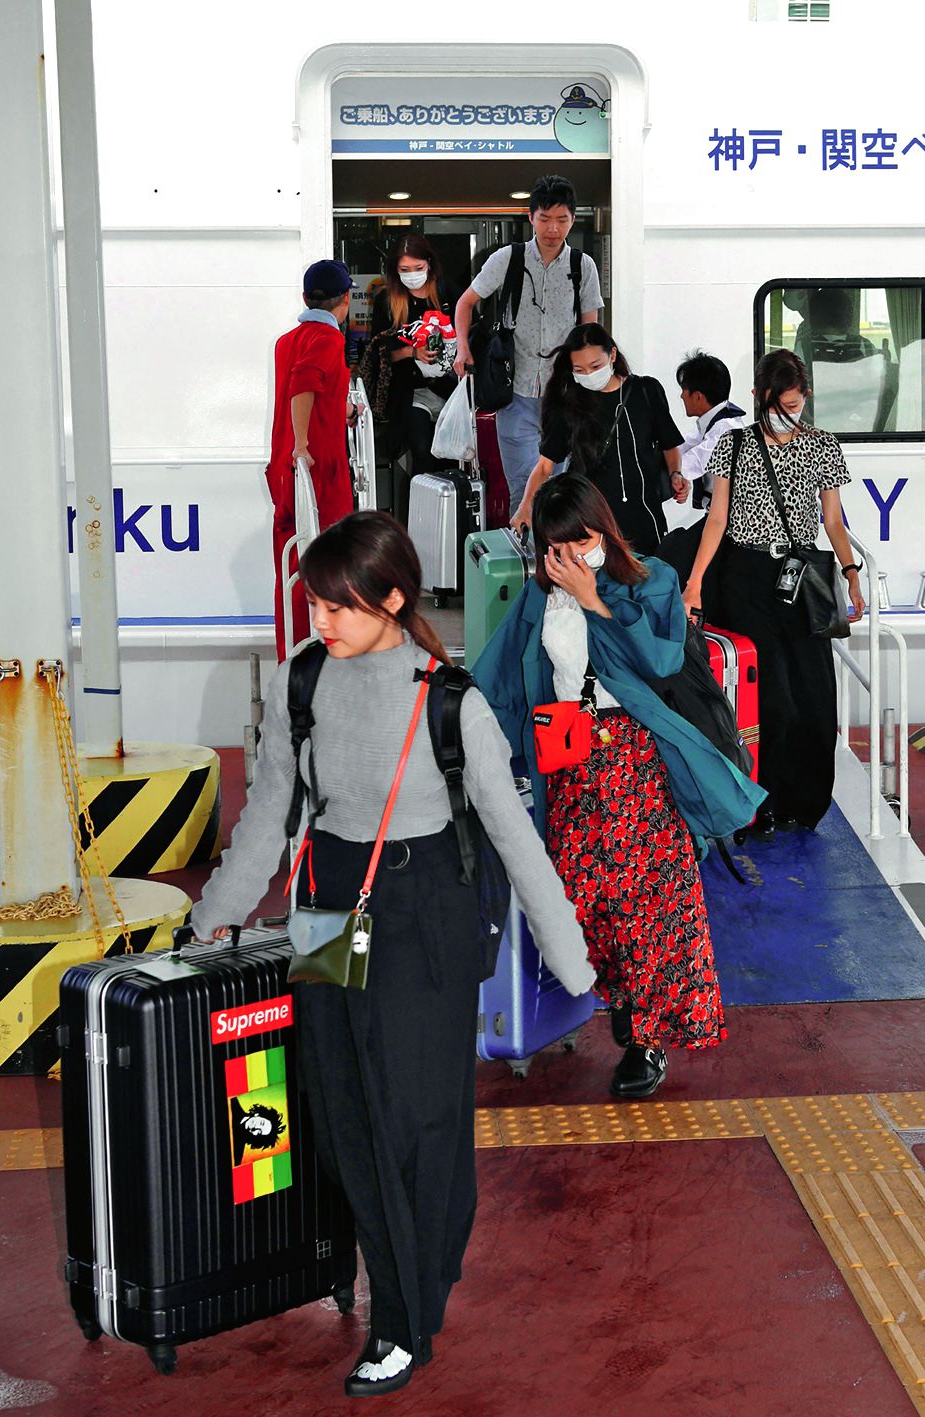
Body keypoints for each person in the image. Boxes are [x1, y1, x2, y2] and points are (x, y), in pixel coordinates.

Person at [190, 511, 594, 1399]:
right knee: (337, 1112)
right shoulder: (304, 683)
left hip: (422, 913)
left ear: (394, 598)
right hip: (329, 907)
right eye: (315, 603)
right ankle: (392, 1270)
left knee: (415, 1121)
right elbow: (269, 814)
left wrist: (571, 959)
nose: (322, 621)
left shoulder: (450, 701)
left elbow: (515, 840)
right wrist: (212, 917)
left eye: (340, 605)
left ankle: (403, 1320)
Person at [472, 474, 763, 1099]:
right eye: (556, 547)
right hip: (571, 767)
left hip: (637, 762)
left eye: (580, 539)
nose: (571, 556)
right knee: (582, 901)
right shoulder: (539, 596)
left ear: (602, 528)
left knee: (648, 906)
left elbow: (658, 662)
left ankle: (646, 1039)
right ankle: (625, 1008)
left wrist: (595, 601)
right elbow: (496, 673)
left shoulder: (649, 580)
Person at [683, 348, 866, 837]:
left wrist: (850, 571)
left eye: (797, 403)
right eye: (781, 405)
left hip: (802, 576)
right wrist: (696, 580)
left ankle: (803, 803)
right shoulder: (734, 446)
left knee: (814, 696)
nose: (791, 414)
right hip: (745, 575)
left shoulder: (822, 447)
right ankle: (756, 802)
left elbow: (832, 519)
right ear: (759, 398)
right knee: (768, 696)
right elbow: (717, 520)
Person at [453, 174, 603, 515]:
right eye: (545, 219)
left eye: (562, 220)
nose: (553, 229)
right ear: (531, 217)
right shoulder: (508, 259)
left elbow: (588, 333)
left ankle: (553, 563)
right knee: (523, 486)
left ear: (573, 219)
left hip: (562, 395)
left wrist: (590, 383)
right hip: (514, 392)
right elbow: (465, 303)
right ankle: (527, 562)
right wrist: (463, 348)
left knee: (558, 490)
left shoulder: (583, 266)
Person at [511, 324, 689, 555]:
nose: (589, 375)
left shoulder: (646, 390)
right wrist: (525, 506)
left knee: (646, 580)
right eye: (580, 370)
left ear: (612, 354)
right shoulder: (569, 404)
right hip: (590, 523)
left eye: (595, 366)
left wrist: (676, 474)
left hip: (644, 518)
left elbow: (670, 444)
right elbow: (545, 465)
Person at [265, 259, 359, 661]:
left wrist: (343, 411)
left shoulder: (287, 340)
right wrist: (302, 445)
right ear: (346, 300)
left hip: (285, 476)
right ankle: (324, 661)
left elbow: (311, 391)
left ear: (306, 298)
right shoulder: (328, 339)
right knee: (329, 573)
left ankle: (292, 660)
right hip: (318, 478)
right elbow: (304, 384)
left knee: (290, 573)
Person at [366, 234, 459, 526]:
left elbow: (471, 337)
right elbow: (377, 353)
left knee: (451, 458)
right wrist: (411, 351)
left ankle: (450, 523)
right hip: (410, 391)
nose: (411, 276)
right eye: (404, 270)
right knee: (421, 452)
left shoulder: (449, 294)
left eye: (416, 267)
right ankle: (419, 524)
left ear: (429, 264)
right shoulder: (387, 301)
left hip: (450, 392)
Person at [675, 350, 747, 510]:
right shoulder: (716, 422)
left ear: (698, 396)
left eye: (684, 390)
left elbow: (695, 461)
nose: (681, 396)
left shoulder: (727, 429)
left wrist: (676, 475)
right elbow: (682, 447)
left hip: (731, 523)